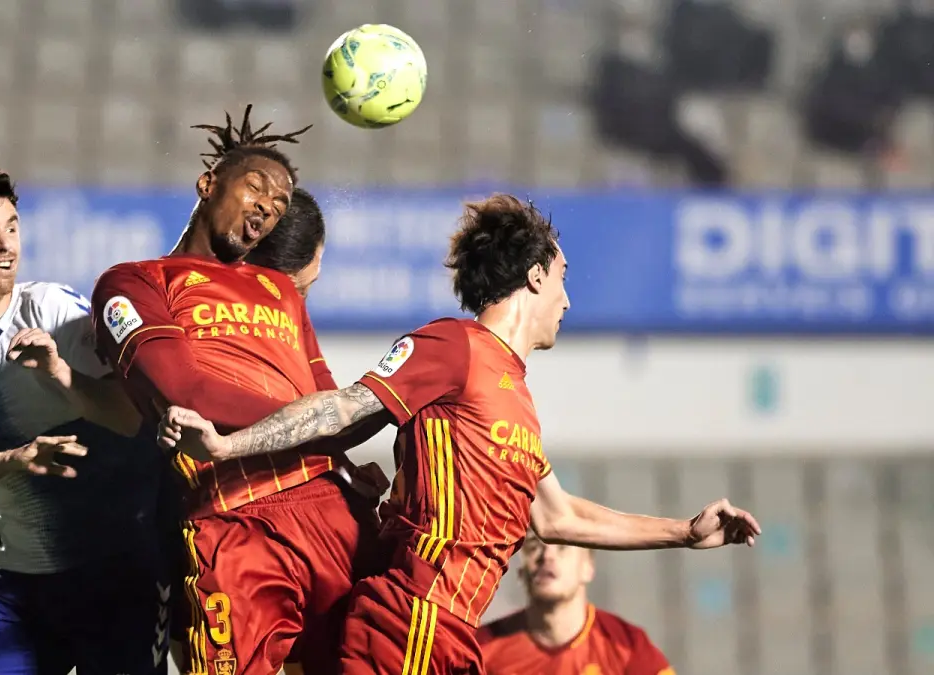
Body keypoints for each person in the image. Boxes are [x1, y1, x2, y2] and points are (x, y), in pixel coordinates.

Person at [157, 193, 762, 674]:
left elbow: (556, 517)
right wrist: (228, 445)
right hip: (412, 618)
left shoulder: (517, 399)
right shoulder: (454, 346)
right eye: (563, 278)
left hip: (449, 633)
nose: (568, 301)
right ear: (534, 276)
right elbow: (342, 409)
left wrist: (683, 532)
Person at [89, 106, 383, 675]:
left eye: (279, 206)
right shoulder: (135, 282)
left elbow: (327, 400)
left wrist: (342, 456)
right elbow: (185, 390)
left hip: (329, 511)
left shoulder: (281, 291)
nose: (267, 207)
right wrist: (313, 421)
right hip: (233, 515)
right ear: (207, 183)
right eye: (256, 187)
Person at [0, 166, 171, 675]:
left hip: (120, 578)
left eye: (12, 226)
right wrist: (7, 462)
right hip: (25, 593)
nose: (6, 244)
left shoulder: (50, 308)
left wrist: (60, 373)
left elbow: (131, 418)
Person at [478, 534, 675, 674]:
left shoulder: (628, 646)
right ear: (520, 569)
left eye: (563, 546)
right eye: (533, 546)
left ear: (587, 567)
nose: (547, 556)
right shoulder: (480, 649)